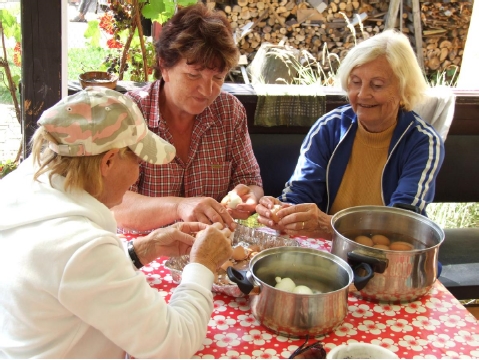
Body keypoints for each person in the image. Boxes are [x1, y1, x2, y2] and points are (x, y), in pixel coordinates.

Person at [0, 87, 233, 358]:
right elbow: (174, 344)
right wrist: (202, 265)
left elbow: (66, 278)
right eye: (136, 159)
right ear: (108, 161)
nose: (137, 174)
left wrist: (143, 249)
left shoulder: (18, 188)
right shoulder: (81, 246)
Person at [256, 29, 445, 239]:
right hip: (332, 250)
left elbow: (403, 220)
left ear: (403, 89)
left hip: (390, 254)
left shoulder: (422, 141)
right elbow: (301, 191)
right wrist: (283, 211)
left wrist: (330, 224)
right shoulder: (328, 128)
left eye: (377, 85)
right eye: (355, 82)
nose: (363, 94)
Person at [111, 3, 263, 234]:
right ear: (164, 65)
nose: (207, 90)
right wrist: (180, 206)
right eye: (193, 75)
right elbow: (117, 206)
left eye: (218, 78)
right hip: (147, 252)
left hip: (213, 250)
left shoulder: (229, 112)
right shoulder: (130, 114)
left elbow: (251, 180)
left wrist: (249, 197)